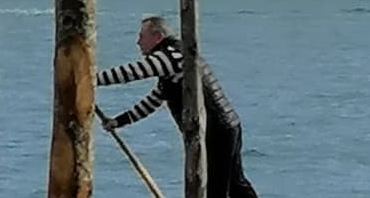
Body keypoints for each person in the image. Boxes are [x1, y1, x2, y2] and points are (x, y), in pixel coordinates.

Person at [98, 15, 259, 198]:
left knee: (218, 187)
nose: (138, 42)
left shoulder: (171, 56)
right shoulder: (176, 60)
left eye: (142, 36)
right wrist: (118, 121)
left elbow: (130, 73)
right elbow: (153, 101)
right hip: (228, 126)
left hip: (216, 129)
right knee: (234, 183)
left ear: (157, 37)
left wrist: (88, 79)